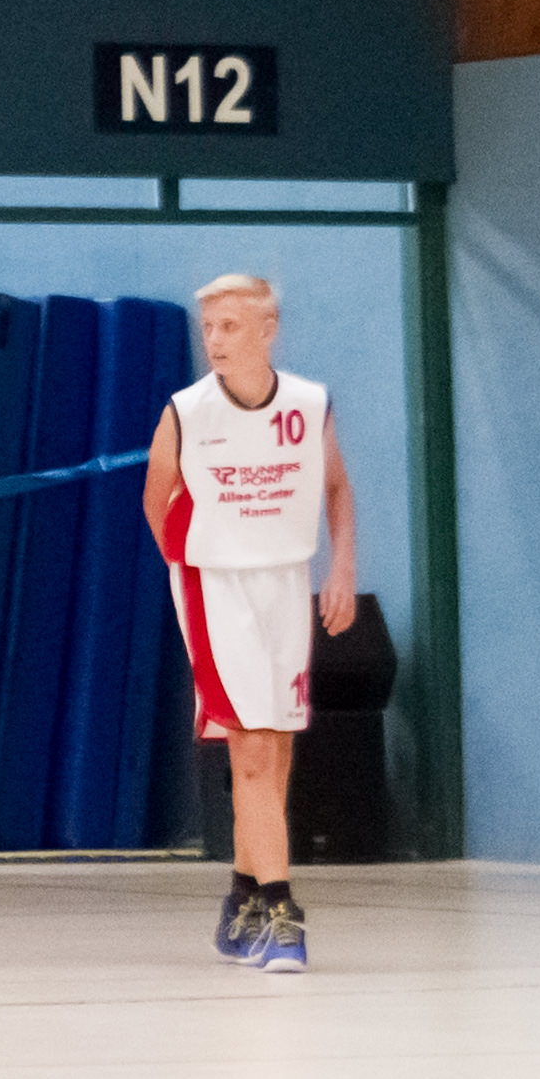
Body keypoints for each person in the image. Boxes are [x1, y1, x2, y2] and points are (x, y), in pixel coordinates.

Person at [138, 273, 357, 974]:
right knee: (253, 751)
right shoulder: (186, 412)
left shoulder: (308, 404)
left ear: (268, 330)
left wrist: (341, 570)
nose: (214, 340)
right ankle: (283, 913)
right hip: (217, 586)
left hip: (285, 580)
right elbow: (156, 501)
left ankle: (243, 898)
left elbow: (335, 488)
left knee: (276, 753)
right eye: (208, 328)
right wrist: (199, 565)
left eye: (229, 326)